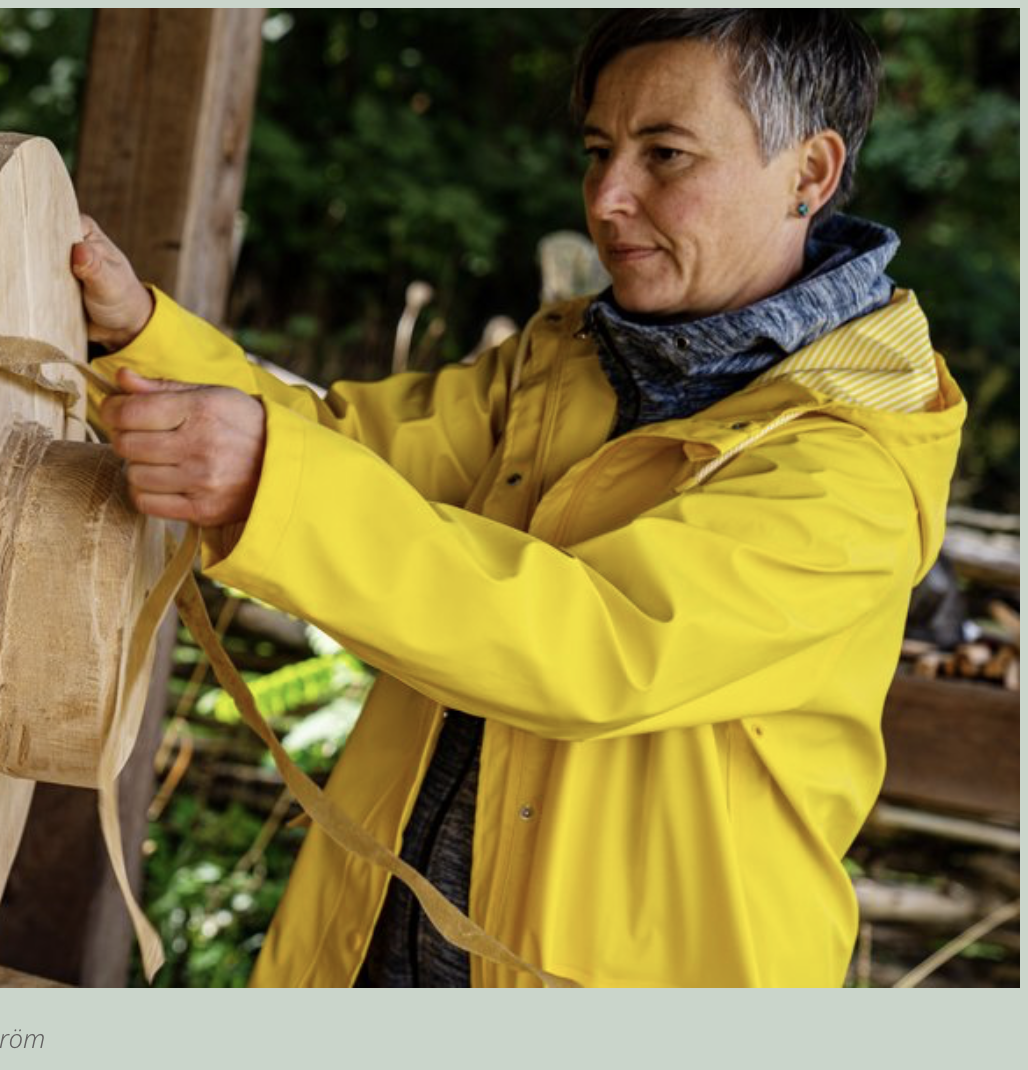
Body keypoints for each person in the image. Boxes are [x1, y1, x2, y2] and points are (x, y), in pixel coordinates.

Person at [69, 10, 965, 987]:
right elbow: (347, 451)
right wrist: (137, 340)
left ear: (809, 172)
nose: (608, 198)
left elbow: (593, 642)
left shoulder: (854, 460)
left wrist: (271, 482)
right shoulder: (564, 358)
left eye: (664, 154)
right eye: (597, 150)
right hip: (378, 942)